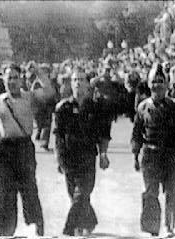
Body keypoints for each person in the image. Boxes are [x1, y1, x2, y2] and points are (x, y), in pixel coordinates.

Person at [131, 63, 175, 237]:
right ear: (149, 84)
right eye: (154, 82)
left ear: (167, 85)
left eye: (161, 82)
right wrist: (135, 156)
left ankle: (169, 226)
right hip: (150, 155)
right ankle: (152, 227)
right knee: (151, 192)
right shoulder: (143, 107)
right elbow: (136, 134)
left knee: (171, 191)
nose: (157, 86)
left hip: (170, 155)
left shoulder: (174, 106)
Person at [0, 64, 44, 237]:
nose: (11, 81)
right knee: (6, 194)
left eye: (15, 77)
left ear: (21, 79)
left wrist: (39, 72)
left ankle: (37, 226)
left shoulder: (30, 98)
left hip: (24, 148)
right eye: (8, 77)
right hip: (6, 150)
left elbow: (48, 94)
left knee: (29, 190)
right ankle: (5, 232)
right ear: (3, 80)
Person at [54, 70, 110, 236]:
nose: (77, 83)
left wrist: (103, 154)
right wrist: (58, 159)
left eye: (81, 80)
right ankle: (90, 221)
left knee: (82, 193)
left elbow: (104, 134)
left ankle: (69, 229)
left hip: (87, 157)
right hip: (69, 157)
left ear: (88, 84)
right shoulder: (62, 108)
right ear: (70, 84)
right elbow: (58, 136)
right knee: (75, 195)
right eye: (74, 80)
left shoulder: (97, 107)